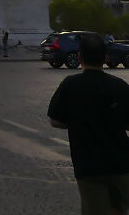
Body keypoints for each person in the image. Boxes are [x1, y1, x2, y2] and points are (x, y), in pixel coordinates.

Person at [48, 32, 129, 214]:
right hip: (120, 161)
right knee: (119, 209)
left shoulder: (70, 85)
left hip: (88, 163)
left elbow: (55, 120)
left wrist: (78, 122)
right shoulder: (119, 86)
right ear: (105, 57)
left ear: (79, 56)